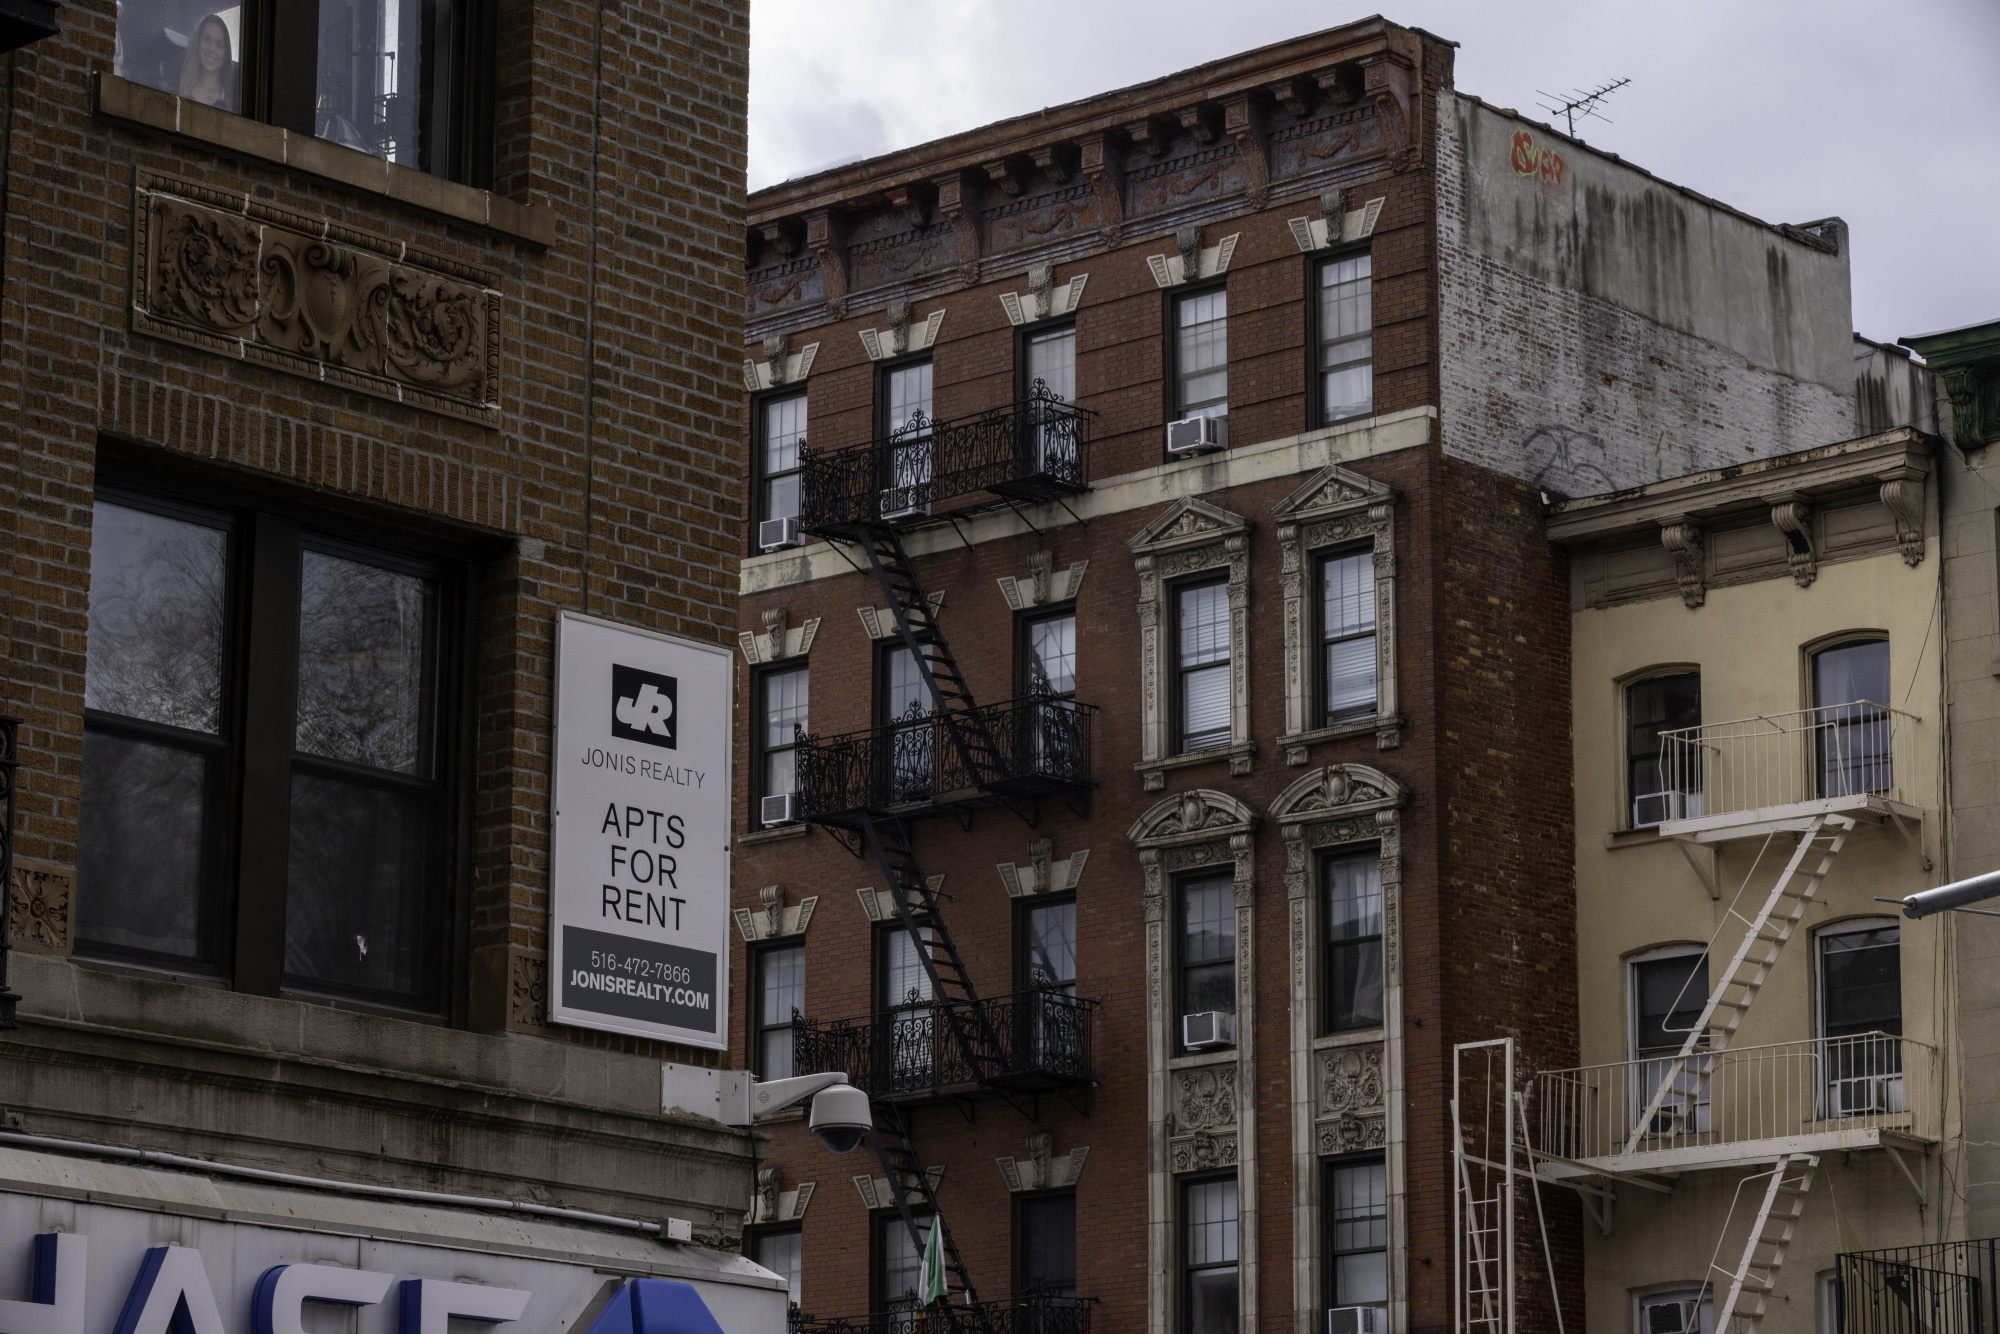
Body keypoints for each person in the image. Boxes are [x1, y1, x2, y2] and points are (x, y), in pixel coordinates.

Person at [177, 14, 237, 112]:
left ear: (226, 55)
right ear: (198, 43)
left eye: (219, 45)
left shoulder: (230, 101)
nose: (211, 48)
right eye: (206, 39)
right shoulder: (179, 86)